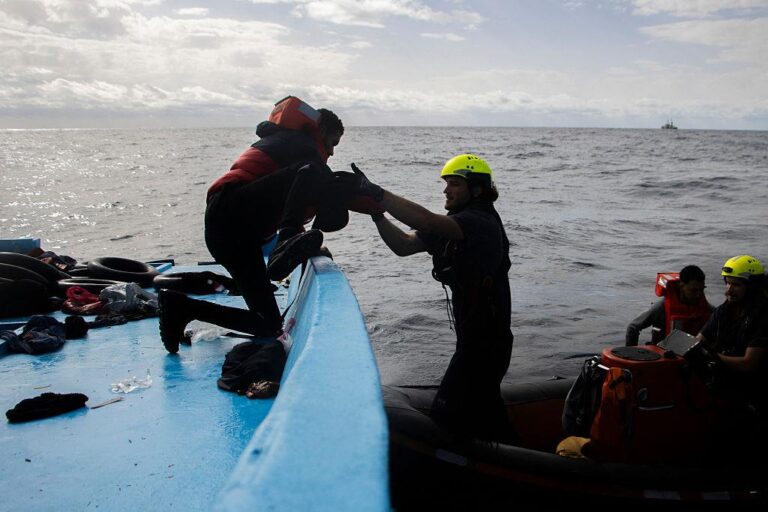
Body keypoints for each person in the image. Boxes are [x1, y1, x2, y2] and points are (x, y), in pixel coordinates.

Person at [158, 96, 363, 354]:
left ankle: (182, 307)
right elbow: (309, 179)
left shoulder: (289, 147)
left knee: (268, 324)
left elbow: (288, 198)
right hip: (231, 212)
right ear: (320, 131)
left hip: (233, 235)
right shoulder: (302, 146)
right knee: (317, 171)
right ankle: (288, 238)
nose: (332, 151)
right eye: (332, 143)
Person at [354, 154, 514, 441]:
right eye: (445, 184)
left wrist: (377, 192)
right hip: (473, 336)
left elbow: (425, 219)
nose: (445, 190)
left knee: (449, 412)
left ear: (476, 190)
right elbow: (403, 245)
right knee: (486, 407)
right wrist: (377, 214)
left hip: (488, 342)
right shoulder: (453, 225)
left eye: (453, 184)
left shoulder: (479, 221)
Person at [625, 265, 712, 346]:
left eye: (701, 290)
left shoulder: (707, 308)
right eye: (694, 291)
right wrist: (630, 355)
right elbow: (633, 328)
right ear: (681, 286)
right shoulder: (661, 308)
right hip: (664, 356)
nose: (699, 295)